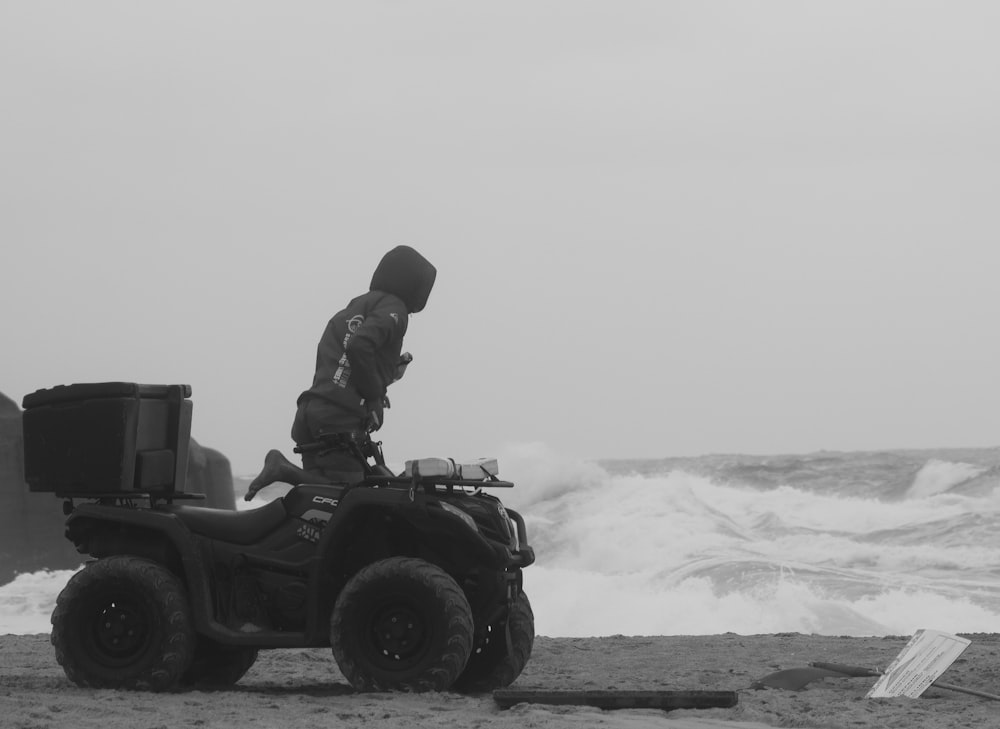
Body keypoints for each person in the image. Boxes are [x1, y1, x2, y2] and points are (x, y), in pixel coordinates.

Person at [246, 246, 436, 499]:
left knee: (319, 501)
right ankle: (282, 469)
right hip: (338, 419)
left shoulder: (357, 306)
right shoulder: (396, 310)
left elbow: (342, 356)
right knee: (349, 498)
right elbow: (359, 346)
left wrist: (382, 379)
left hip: (313, 412)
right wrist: (374, 397)